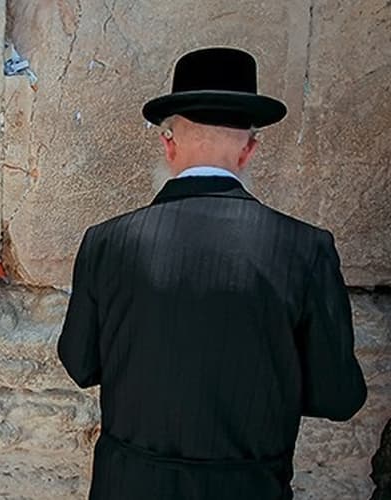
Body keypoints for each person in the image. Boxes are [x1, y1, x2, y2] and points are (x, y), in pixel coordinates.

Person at [57, 47, 367, 500]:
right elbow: (339, 396)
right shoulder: (305, 249)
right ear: (249, 150)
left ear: (169, 143)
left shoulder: (107, 242)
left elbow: (80, 364)